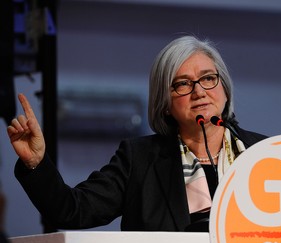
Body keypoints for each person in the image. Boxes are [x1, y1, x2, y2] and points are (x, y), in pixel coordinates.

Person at [7, 35, 267, 232]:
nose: (199, 91)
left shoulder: (267, 153)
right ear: (164, 102)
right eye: (183, 84)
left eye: (208, 78)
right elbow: (72, 210)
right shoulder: (139, 160)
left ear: (224, 87)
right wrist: (35, 163)